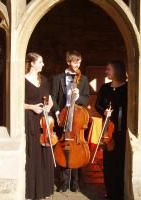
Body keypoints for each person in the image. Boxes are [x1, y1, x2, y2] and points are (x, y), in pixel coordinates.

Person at [51, 50, 89, 192]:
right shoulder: (57, 78)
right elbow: (53, 97)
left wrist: (78, 97)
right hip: (63, 116)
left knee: (76, 150)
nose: (77, 64)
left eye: (79, 61)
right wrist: (56, 112)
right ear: (68, 62)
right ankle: (63, 183)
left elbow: (86, 98)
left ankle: (75, 183)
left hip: (76, 119)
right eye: (75, 61)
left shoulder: (83, 79)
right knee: (63, 149)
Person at [95, 61, 127, 200]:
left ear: (117, 71)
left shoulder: (127, 88)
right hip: (108, 130)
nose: (106, 72)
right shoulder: (104, 88)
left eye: (109, 69)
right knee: (108, 162)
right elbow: (97, 105)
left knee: (120, 162)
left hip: (121, 131)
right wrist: (104, 111)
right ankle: (109, 192)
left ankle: (119, 193)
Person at [24, 52, 54, 199]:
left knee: (45, 154)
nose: (43, 64)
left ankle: (45, 190)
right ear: (32, 63)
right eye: (40, 62)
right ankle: (33, 191)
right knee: (33, 153)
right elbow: (15, 103)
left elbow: (51, 100)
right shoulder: (22, 81)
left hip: (44, 121)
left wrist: (49, 107)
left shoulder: (44, 80)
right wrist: (31, 107)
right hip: (30, 120)